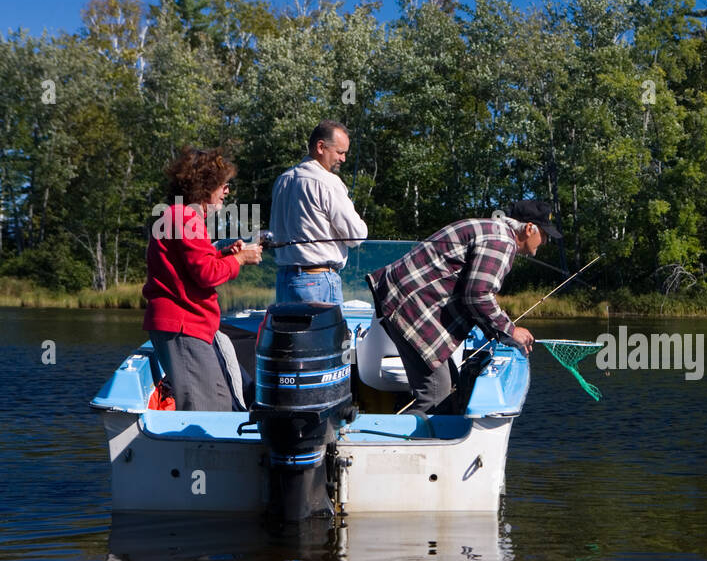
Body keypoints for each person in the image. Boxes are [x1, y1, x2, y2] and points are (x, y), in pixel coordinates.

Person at [366, 200, 560, 414]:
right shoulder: (501, 241)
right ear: (529, 228)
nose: (545, 241)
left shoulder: (493, 231)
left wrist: (502, 332)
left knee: (448, 388)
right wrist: (511, 330)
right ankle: (405, 446)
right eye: (545, 234)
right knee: (435, 395)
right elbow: (478, 294)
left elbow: (473, 293)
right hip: (411, 308)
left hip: (404, 302)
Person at [143, 147, 263, 411]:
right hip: (183, 327)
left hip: (186, 327)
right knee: (206, 406)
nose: (227, 191)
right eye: (223, 185)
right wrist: (240, 259)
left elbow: (191, 267)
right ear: (204, 185)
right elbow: (206, 274)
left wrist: (225, 254)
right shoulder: (185, 217)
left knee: (216, 401)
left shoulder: (178, 215)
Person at [270, 120, 368, 305]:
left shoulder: (282, 180)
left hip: (284, 280)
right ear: (321, 147)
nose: (343, 159)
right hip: (317, 281)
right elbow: (356, 236)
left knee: (289, 334)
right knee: (325, 334)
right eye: (340, 152)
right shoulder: (327, 182)